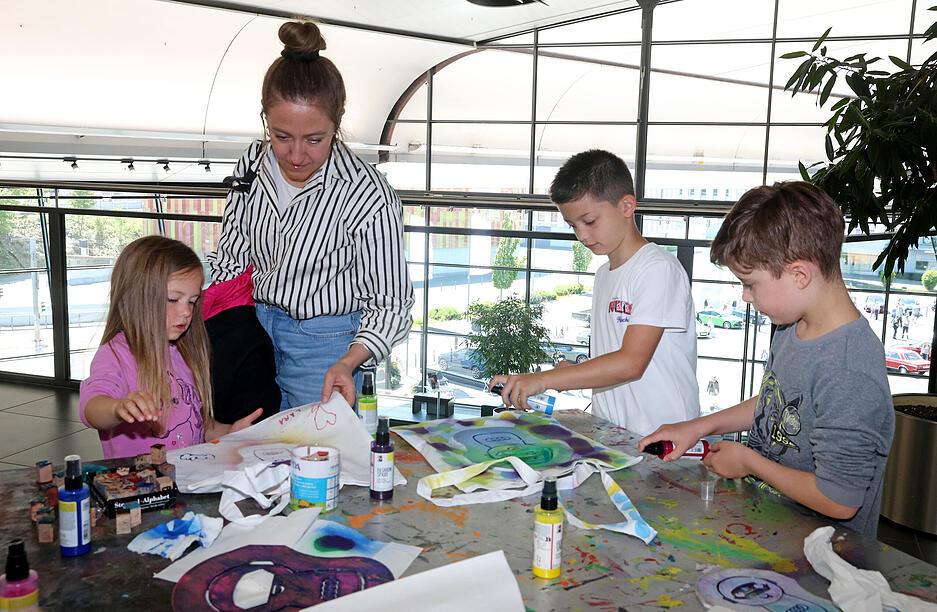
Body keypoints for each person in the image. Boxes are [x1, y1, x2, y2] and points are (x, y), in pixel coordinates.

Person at [639, 182, 894, 537]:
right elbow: (778, 402)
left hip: (823, 558)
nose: (745, 297)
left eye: (750, 283)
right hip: (772, 531)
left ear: (799, 275)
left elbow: (840, 499)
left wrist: (749, 463)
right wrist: (697, 427)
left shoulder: (850, 368)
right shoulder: (791, 328)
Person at [209, 20, 414, 411]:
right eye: (282, 137)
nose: (297, 155)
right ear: (265, 121)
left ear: (337, 125)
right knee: (249, 453)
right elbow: (231, 258)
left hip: (327, 347)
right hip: (254, 331)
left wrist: (348, 362)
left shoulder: (367, 193)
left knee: (317, 458)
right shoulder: (252, 163)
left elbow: (390, 303)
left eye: (314, 139)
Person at [488, 149, 700, 436]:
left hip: (664, 441)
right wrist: (567, 372)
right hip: (615, 437)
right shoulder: (604, 275)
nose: (582, 236)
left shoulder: (658, 269)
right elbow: (617, 358)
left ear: (627, 206)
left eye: (589, 221)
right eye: (573, 226)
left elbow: (631, 363)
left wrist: (543, 380)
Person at [79, 236, 262, 459]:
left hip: (187, 481)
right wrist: (118, 408)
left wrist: (230, 432)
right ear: (136, 297)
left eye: (192, 301)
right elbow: (92, 407)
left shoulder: (183, 355)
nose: (187, 312)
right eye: (174, 299)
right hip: (140, 486)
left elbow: (199, 425)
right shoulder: (115, 354)